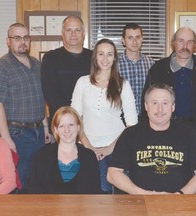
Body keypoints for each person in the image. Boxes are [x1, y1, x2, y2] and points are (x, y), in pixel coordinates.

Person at [107, 83, 196, 194]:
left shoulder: (188, 133)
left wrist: (179, 195)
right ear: (146, 106)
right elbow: (112, 174)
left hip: (180, 203)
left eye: (165, 103)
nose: (160, 109)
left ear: (173, 106)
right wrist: (144, 194)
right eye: (154, 103)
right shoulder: (130, 134)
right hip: (140, 202)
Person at [71, 38, 138, 193]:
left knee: (113, 193)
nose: (105, 59)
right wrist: (89, 147)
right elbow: (74, 119)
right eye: (101, 54)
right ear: (95, 57)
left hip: (116, 147)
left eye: (109, 54)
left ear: (115, 57)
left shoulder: (123, 85)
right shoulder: (83, 82)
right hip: (86, 147)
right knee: (91, 193)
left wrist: (108, 149)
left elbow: (132, 124)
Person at [0, 23, 50, 189]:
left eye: (25, 37)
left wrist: (45, 127)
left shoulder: (37, 64)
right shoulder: (2, 66)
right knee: (20, 181)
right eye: (17, 38)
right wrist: (6, 138)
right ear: (8, 41)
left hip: (38, 131)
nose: (22, 41)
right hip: (18, 134)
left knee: (38, 179)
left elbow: (41, 97)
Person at [142, 27, 196, 161]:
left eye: (190, 42)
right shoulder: (158, 69)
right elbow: (146, 102)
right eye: (181, 41)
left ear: (195, 45)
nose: (185, 46)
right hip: (165, 129)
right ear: (173, 43)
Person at [27, 106, 101, 194]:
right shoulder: (42, 156)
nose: (67, 130)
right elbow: (34, 191)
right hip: (49, 207)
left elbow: (95, 193)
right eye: (61, 126)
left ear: (78, 127)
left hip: (82, 207)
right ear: (56, 130)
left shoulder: (89, 157)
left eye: (71, 125)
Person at [41, 15, 93, 127]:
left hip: (90, 123)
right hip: (61, 123)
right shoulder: (50, 58)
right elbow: (50, 94)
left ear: (83, 34)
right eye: (69, 30)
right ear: (62, 34)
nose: (73, 34)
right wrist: (71, 117)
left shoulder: (94, 58)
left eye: (77, 30)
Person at [118, 23, 155, 117]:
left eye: (137, 37)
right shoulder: (114, 65)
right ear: (123, 41)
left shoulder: (151, 64)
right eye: (130, 38)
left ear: (142, 39)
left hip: (146, 117)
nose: (134, 42)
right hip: (122, 117)